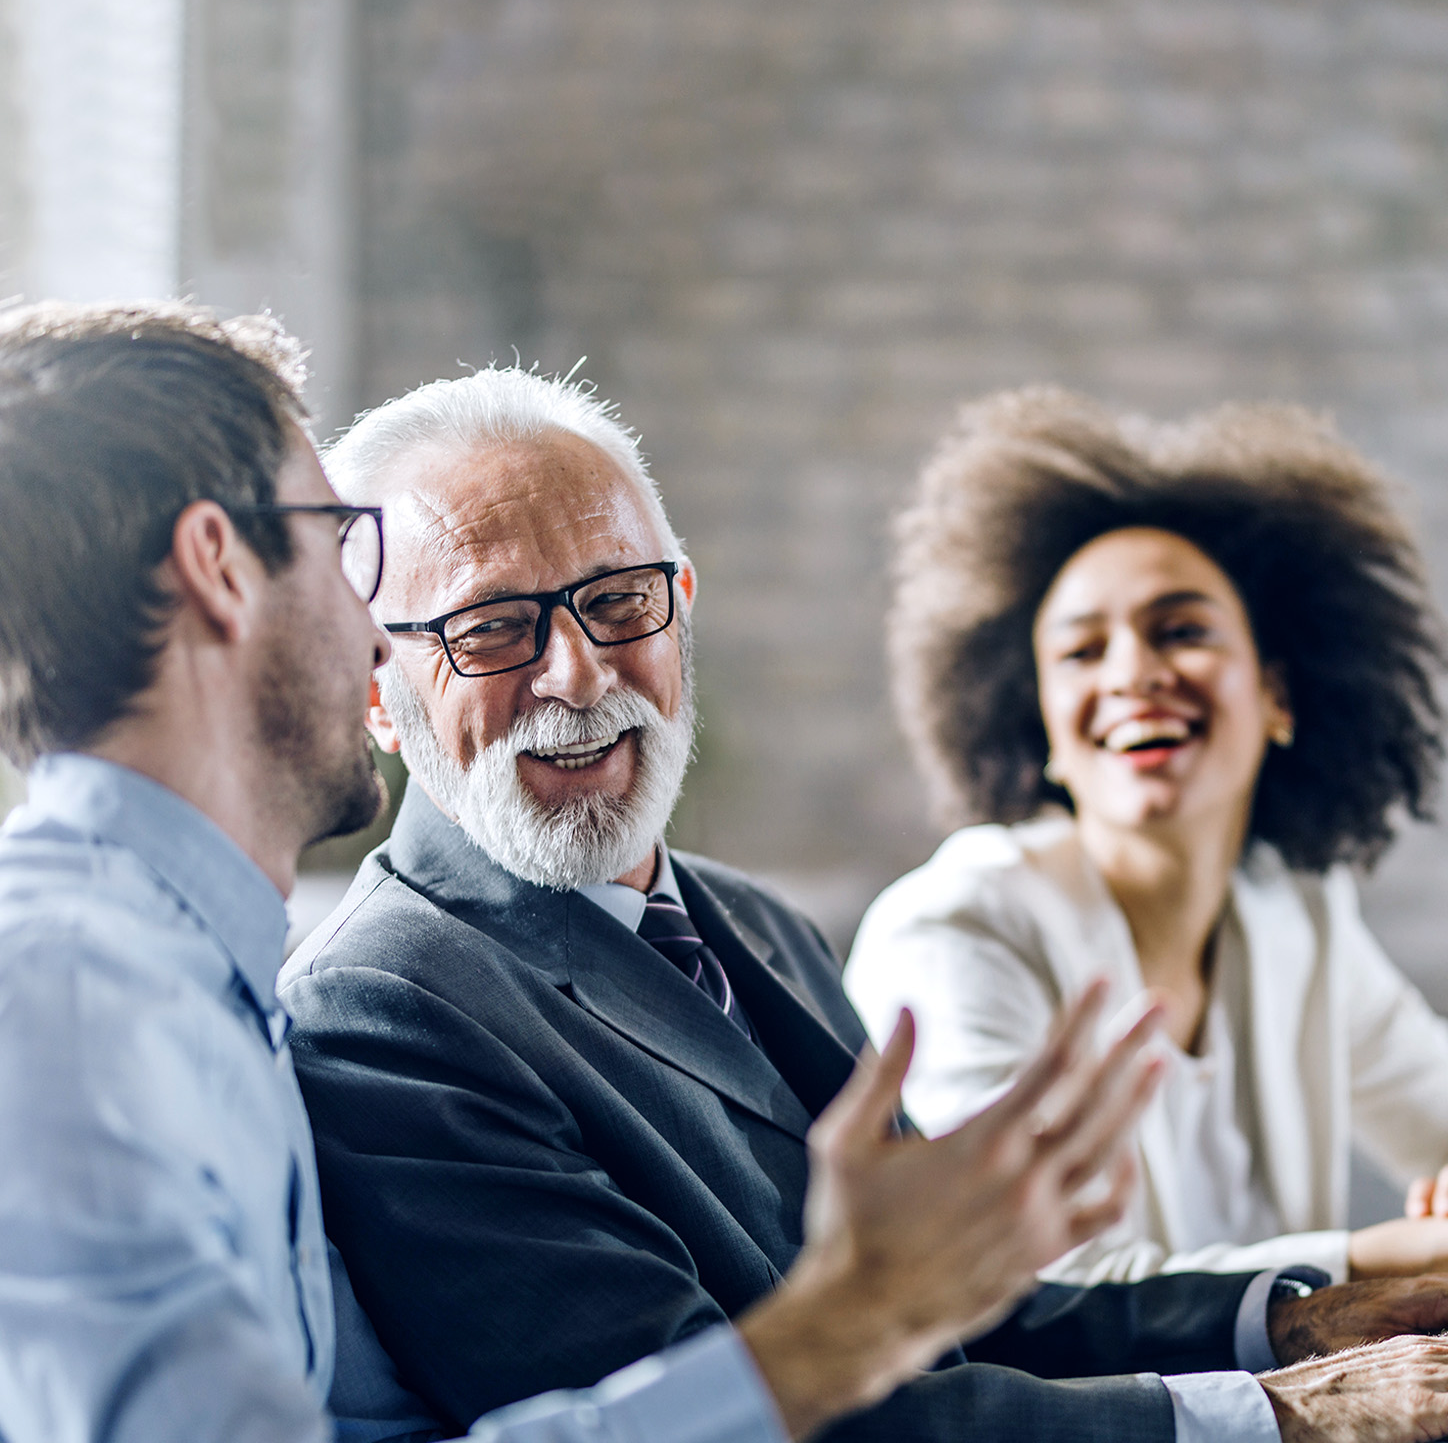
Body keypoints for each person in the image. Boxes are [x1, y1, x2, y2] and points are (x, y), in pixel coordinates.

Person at [0, 301, 1165, 1443]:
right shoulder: (61, 997)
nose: (368, 629)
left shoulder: (181, 976)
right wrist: (842, 1328)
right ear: (219, 565)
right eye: (338, 541)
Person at [284, 363, 1448, 1443]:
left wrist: (1302, 1321)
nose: (579, 675)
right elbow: (736, 1414)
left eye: (618, 601)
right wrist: (1270, 1414)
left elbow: (959, 1317)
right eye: (493, 630)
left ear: (681, 610)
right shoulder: (383, 1013)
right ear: (377, 693)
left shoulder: (753, 921)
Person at [845, 385, 1448, 1290]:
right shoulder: (957, 931)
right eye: (1083, 652)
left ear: (1279, 697)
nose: (1134, 673)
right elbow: (1043, 1296)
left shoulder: (1296, 911)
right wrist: (1368, 1260)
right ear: (1044, 728)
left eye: (1181, 630)